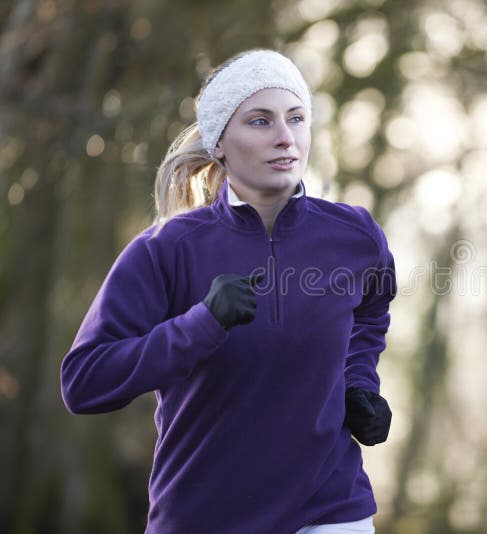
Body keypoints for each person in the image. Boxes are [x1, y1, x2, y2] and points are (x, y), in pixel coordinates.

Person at [60, 49, 397, 534]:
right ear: (219, 143)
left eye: (296, 118)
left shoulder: (355, 236)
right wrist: (202, 324)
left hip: (330, 509)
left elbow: (370, 311)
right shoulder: (166, 251)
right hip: (205, 515)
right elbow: (84, 382)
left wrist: (359, 383)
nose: (285, 137)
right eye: (260, 121)